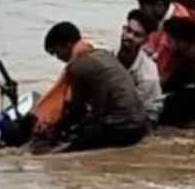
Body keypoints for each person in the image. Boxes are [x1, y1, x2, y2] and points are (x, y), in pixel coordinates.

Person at [35, 22, 148, 153]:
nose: (58, 58)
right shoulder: (101, 53)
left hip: (123, 128)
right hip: (140, 125)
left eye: (56, 53)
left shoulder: (78, 66)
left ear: (67, 45)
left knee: (60, 152)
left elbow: (76, 110)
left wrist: (55, 130)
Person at [118, 9, 164, 126]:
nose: (129, 37)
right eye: (128, 30)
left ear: (145, 40)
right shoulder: (109, 53)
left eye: (137, 35)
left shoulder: (148, 73)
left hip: (144, 113)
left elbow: (131, 106)